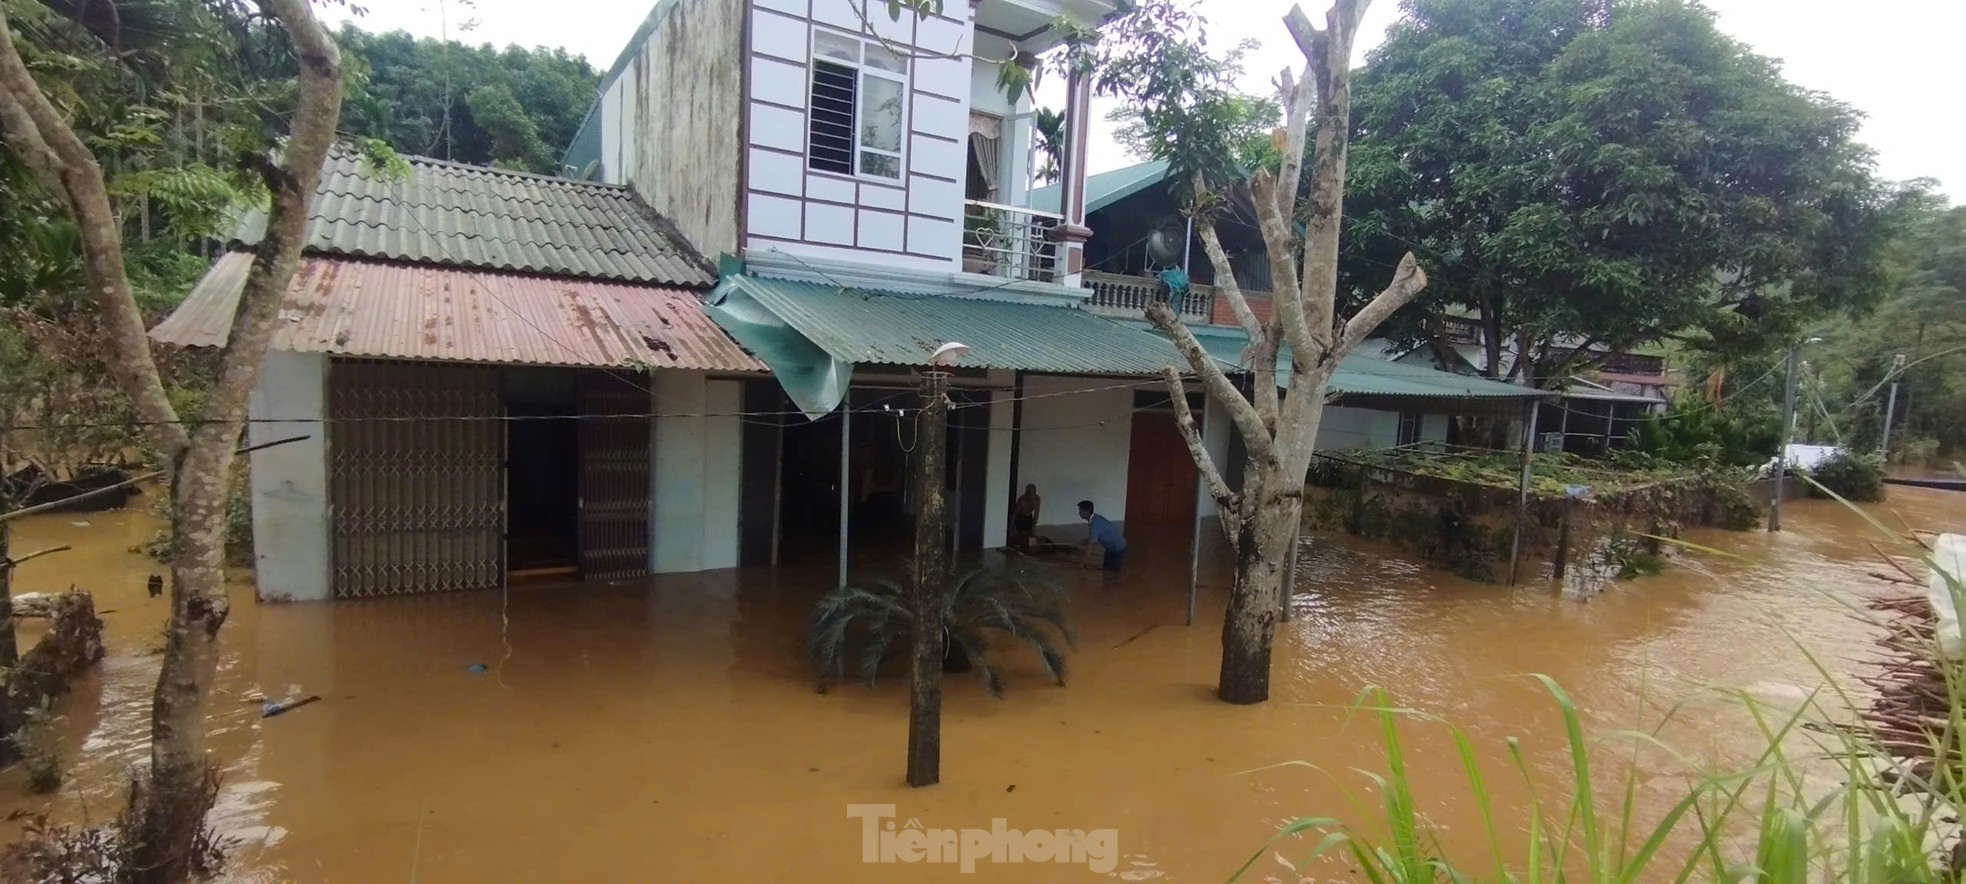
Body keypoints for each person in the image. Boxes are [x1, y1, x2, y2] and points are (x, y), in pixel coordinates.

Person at [1078, 500, 1126, 572]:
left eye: (1080, 511)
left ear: (1087, 512)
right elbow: (1093, 537)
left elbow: (1089, 550)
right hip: (1111, 549)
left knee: (1113, 573)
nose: (1079, 513)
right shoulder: (1095, 518)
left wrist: (1082, 564)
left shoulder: (1094, 525)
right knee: (1106, 570)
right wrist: (1086, 541)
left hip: (1118, 549)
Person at [1013, 484, 1041, 550]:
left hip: (1029, 518)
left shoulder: (1037, 499)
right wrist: (1011, 528)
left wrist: (1033, 527)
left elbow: (1036, 513)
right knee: (1023, 536)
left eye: (1032, 492)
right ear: (1026, 492)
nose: (1030, 495)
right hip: (1020, 518)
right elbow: (1014, 514)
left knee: (1032, 536)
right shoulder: (1021, 500)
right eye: (1029, 492)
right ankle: (1022, 546)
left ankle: (1033, 549)